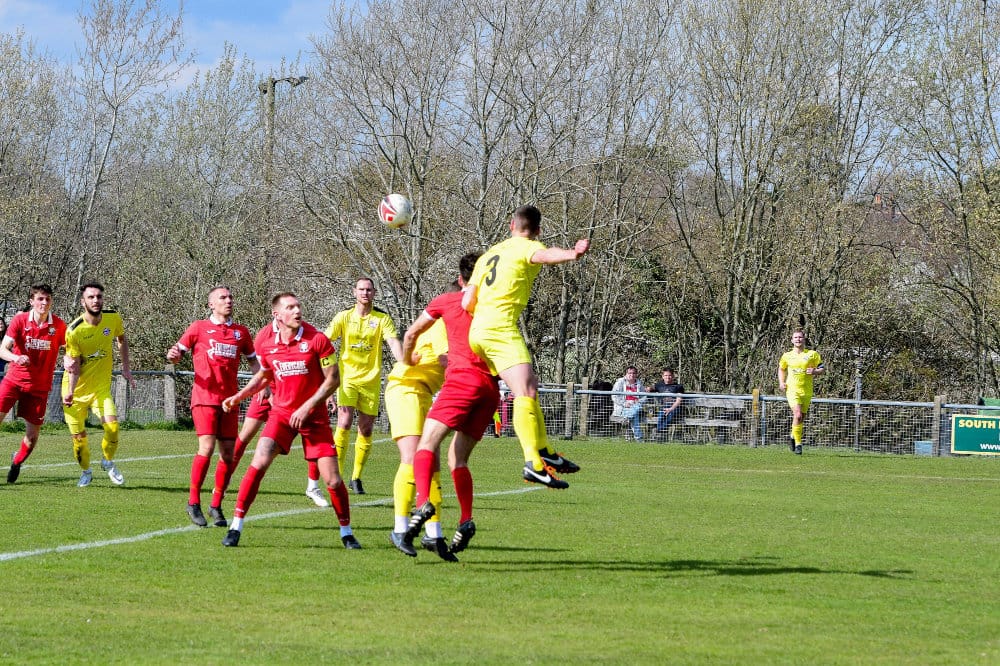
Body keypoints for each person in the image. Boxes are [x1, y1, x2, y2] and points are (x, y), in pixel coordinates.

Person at [220, 292, 359, 549]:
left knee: (333, 480)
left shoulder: (317, 339)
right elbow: (263, 376)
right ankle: (235, 526)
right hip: (282, 415)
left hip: (314, 417)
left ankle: (346, 532)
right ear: (277, 315)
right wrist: (239, 396)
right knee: (259, 460)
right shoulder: (267, 345)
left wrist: (307, 407)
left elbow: (333, 379)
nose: (297, 311)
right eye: (290, 307)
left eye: (298, 306)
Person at [463, 204, 587, 488]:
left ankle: (545, 451)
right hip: (500, 329)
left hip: (478, 330)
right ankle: (534, 463)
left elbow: (466, 302)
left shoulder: (490, 254)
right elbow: (545, 255)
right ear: (538, 231)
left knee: (530, 386)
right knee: (524, 392)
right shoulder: (527, 247)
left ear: (511, 225)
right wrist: (573, 253)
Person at [399, 253, 500, 560]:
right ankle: (466, 518)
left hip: (462, 381)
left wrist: (407, 359)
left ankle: (422, 504)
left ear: (460, 279)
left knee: (426, 445)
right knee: (458, 458)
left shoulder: (446, 301)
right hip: (490, 389)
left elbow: (411, 333)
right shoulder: (495, 305)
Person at [166, 286, 259, 528]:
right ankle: (193, 502)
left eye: (230, 297)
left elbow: (253, 362)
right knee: (206, 447)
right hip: (204, 398)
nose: (228, 300)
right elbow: (177, 353)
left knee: (228, 454)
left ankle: (216, 505)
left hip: (230, 401)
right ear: (211, 304)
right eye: (223, 297)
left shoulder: (241, 333)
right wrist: (173, 356)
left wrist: (263, 385)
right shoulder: (199, 327)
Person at [383, 293, 452, 561]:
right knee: (413, 459)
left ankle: (433, 533)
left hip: (423, 394)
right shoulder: (444, 322)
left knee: (431, 464)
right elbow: (447, 360)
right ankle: (400, 529)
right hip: (406, 389)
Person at [324, 277, 403, 494]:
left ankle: (356, 477)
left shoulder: (381, 318)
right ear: (354, 292)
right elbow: (324, 341)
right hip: (347, 379)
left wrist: (404, 363)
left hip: (371, 380)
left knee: (366, 429)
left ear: (374, 293)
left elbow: (393, 342)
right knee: (344, 421)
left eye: (368, 290)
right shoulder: (344, 317)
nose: (365, 293)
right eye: (361, 289)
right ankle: (337, 476)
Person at [62, 282, 134, 487]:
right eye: (91, 297)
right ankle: (86, 472)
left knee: (113, 428)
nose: (96, 300)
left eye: (99, 297)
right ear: (82, 301)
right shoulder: (74, 330)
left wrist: (126, 368)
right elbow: (74, 366)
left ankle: (107, 461)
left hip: (100, 389)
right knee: (79, 441)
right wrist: (69, 392)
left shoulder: (113, 318)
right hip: (75, 391)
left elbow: (122, 339)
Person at [1, 285, 67, 483]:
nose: (44, 303)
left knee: (32, 438)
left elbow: (70, 349)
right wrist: (16, 357)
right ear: (32, 301)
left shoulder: (59, 325)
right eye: (40, 299)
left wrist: (70, 359)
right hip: (13, 381)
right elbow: (2, 349)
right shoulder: (20, 320)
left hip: (39, 387)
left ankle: (16, 462)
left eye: (47, 299)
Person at [778, 329, 824, 455]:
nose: (798, 339)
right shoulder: (787, 356)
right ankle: (798, 444)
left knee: (800, 418)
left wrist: (815, 371)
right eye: (796, 337)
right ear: (792, 340)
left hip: (807, 390)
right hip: (792, 390)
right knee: (797, 415)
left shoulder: (812, 354)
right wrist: (781, 382)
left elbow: (822, 368)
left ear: (804, 339)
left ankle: (793, 436)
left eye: (800, 337)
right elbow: (781, 369)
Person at [612, 366, 647, 441]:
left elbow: (644, 397)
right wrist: (624, 403)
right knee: (634, 416)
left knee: (635, 409)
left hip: (636, 407)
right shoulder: (620, 382)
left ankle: (627, 419)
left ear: (636, 374)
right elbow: (614, 396)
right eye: (630, 373)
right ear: (626, 374)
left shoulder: (639, 384)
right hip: (623, 408)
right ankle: (639, 438)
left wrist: (638, 401)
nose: (632, 375)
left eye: (634, 373)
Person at [650, 367, 685, 437]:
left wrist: (671, 409)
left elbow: (679, 401)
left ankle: (659, 431)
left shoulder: (678, 387)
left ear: (673, 376)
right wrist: (648, 389)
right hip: (663, 408)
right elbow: (651, 389)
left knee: (669, 414)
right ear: (662, 376)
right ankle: (661, 434)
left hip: (675, 408)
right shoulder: (659, 385)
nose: (668, 377)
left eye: (670, 375)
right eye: (666, 375)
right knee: (661, 415)